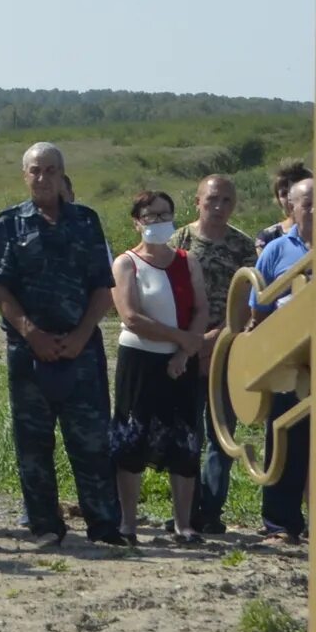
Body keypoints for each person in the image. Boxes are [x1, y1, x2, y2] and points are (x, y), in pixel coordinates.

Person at [0, 143, 122, 547]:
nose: (43, 178)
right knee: (33, 444)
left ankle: (104, 527)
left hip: (82, 350)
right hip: (28, 351)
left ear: (62, 175)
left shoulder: (87, 222)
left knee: (92, 441)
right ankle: (44, 525)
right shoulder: (8, 224)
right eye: (35, 171)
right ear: (25, 175)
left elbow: (102, 286)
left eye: (51, 170)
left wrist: (79, 336)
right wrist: (32, 334)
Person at [109, 190, 207, 543]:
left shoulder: (187, 260)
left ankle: (184, 524)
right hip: (140, 360)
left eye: (165, 214)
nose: (158, 221)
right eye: (150, 215)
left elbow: (201, 310)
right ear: (137, 221)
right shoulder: (126, 263)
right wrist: (181, 338)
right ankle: (128, 524)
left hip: (182, 362)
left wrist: (184, 351)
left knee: (185, 440)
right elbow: (131, 317)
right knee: (132, 438)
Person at [176, 173, 260, 536]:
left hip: (228, 350)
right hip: (185, 348)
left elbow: (249, 302)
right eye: (212, 199)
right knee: (186, 435)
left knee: (221, 435)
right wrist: (191, 342)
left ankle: (211, 511)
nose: (219, 206)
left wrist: (217, 340)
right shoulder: (179, 239)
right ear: (198, 201)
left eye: (226, 201)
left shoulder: (243, 247)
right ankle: (185, 511)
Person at [251, 176, 316, 541]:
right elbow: (257, 310)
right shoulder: (275, 250)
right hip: (287, 362)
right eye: (307, 203)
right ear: (291, 207)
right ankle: (280, 522)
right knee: (284, 438)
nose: (315, 210)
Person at [257, 161, 312, 249]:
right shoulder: (268, 238)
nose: (290, 198)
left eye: (297, 192)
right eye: (284, 193)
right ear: (278, 200)